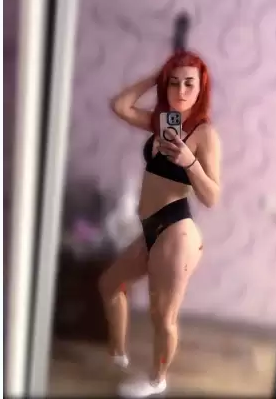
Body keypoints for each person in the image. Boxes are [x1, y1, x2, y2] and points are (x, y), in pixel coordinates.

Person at [98, 50, 221, 398]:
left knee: (163, 317)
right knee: (110, 284)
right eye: (173, 82)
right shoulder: (163, 122)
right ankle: (118, 353)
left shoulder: (204, 134)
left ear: (201, 89)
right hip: (151, 228)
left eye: (189, 84)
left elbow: (212, 197)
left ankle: (157, 379)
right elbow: (120, 106)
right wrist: (155, 77)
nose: (181, 90)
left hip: (177, 231)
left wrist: (190, 161)